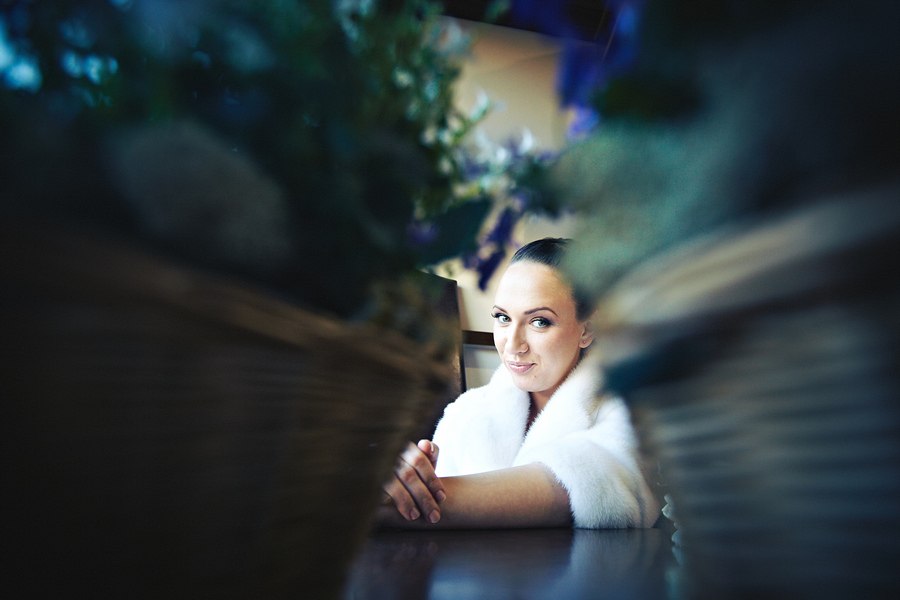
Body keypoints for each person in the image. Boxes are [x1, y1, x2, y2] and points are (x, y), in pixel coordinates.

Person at [378, 238, 659, 529]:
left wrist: (387, 506)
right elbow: (418, 491)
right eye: (503, 317)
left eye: (539, 322)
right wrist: (400, 477)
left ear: (587, 329)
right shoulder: (465, 413)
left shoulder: (630, 410)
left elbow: (599, 484)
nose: (513, 345)